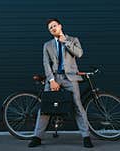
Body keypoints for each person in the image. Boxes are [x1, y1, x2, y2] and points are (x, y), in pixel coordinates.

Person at [28, 18, 94, 148]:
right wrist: (51, 80)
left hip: (70, 78)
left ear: (60, 26)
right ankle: (37, 137)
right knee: (45, 107)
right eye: (50, 28)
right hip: (54, 77)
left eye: (54, 26)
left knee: (77, 106)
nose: (52, 28)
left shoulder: (73, 39)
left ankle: (86, 137)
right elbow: (46, 63)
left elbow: (79, 53)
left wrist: (66, 42)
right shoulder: (47, 45)